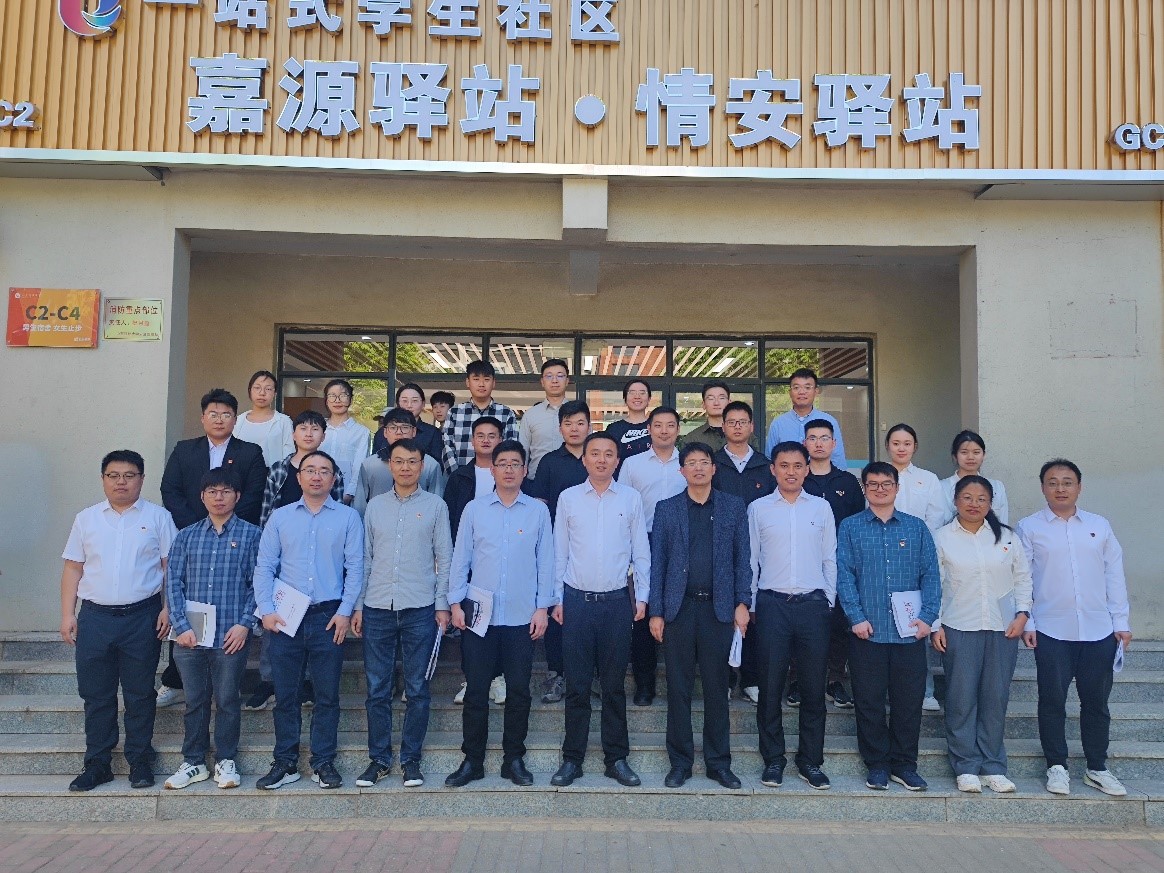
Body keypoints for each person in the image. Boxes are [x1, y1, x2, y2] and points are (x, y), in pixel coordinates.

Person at [1016, 459, 1133, 798]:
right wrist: (1028, 620)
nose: (1060, 488)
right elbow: (1022, 578)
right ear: (1043, 488)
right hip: (1051, 629)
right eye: (1052, 482)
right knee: (1052, 700)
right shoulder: (1029, 527)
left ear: (1079, 487)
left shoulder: (1099, 526)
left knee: (1096, 702)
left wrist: (1121, 622)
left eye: (1067, 482)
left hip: (1099, 629)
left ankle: (1097, 767)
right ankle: (1057, 766)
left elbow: (1114, 574)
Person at [60, 450, 176, 792]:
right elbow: (73, 568)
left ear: (141, 479)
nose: (121, 482)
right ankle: (98, 764)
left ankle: (140, 760)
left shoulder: (159, 517)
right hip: (95, 618)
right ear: (103, 479)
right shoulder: (86, 519)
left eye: (129, 475)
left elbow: (172, 568)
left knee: (140, 693)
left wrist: (168, 608)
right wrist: (67, 614)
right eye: (113, 475)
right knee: (96, 694)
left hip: (142, 617)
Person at [444, 441, 554, 788]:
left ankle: (513, 759)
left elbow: (546, 561)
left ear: (524, 470)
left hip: (522, 617)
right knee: (477, 691)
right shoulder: (475, 510)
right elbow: (460, 558)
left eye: (515, 463)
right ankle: (472, 760)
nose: (508, 469)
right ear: (491, 470)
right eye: (502, 463)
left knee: (519, 691)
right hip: (479, 618)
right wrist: (454, 603)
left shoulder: (537, 511)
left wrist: (543, 608)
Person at [253, 451, 364, 791]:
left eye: (324, 471)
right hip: (285, 617)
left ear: (334, 479)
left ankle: (323, 761)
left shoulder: (348, 518)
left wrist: (345, 611)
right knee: (285, 694)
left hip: (328, 617)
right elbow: (264, 566)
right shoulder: (280, 517)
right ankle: (285, 762)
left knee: (327, 695)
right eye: (310, 470)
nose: (317, 476)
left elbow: (355, 567)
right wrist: (266, 609)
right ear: (299, 477)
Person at [550, 432, 651, 788]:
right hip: (577, 601)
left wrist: (642, 598)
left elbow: (641, 552)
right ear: (584, 460)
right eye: (595, 453)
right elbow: (559, 552)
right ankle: (572, 760)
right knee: (577, 686)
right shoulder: (568, 498)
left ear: (617, 461)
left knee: (613, 686)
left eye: (609, 454)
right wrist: (557, 598)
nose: (602, 460)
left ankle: (616, 759)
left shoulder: (631, 498)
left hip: (616, 603)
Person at [649, 442, 750, 790]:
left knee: (716, 689)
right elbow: (658, 564)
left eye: (704, 462)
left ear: (713, 468)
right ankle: (680, 763)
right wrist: (656, 611)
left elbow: (742, 559)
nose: (698, 468)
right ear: (682, 471)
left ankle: (718, 763)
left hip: (718, 610)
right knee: (678, 689)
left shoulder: (733, 507)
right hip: (679, 610)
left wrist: (742, 602)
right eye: (690, 463)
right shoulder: (667, 509)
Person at [353, 438, 453, 789]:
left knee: (417, 688)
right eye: (399, 461)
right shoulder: (375, 506)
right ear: (390, 465)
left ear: (422, 466)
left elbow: (445, 557)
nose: (406, 467)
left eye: (412, 461)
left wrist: (442, 604)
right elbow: (365, 558)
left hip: (420, 607)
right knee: (377, 689)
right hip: (377, 606)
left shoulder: (436, 506)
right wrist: (358, 604)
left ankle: (411, 760)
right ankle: (379, 760)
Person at [158, 388, 266, 706]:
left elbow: (253, 494)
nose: (219, 419)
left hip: (235, 536)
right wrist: (200, 526)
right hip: (193, 537)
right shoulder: (184, 450)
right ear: (203, 418)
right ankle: (175, 680)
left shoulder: (250, 452)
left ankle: (227, 684)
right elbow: (170, 489)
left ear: (236, 419)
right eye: (213, 414)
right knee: (187, 601)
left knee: (230, 602)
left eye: (226, 414)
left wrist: (223, 521)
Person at [836, 461, 940, 792]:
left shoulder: (916, 528)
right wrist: (855, 616)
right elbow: (844, 574)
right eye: (873, 484)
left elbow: (931, 575)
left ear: (897, 487)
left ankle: (905, 765)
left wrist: (928, 617)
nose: (880, 489)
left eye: (886, 484)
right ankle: (877, 764)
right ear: (864, 488)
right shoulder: (851, 527)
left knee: (908, 703)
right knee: (868, 702)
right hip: (867, 631)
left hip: (910, 632)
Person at [931, 475, 1032, 794]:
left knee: (995, 697)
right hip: (959, 626)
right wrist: (935, 624)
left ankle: (993, 766)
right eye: (967, 497)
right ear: (955, 501)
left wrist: (1023, 615)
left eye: (981, 499)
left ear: (991, 503)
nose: (974, 504)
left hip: (1003, 629)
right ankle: (965, 765)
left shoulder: (1007, 537)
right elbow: (934, 583)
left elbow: (1023, 578)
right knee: (961, 698)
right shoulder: (942, 537)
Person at [162, 468, 261, 791]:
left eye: (226, 491)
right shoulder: (186, 536)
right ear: (202, 496)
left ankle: (225, 760)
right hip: (190, 636)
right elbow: (173, 583)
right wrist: (180, 625)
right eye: (212, 492)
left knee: (228, 699)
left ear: (237, 496)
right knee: (194, 700)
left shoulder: (252, 535)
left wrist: (245, 624)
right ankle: (193, 761)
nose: (219, 497)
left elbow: (258, 584)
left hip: (231, 635)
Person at [749, 441, 838, 791]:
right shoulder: (758, 509)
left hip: (813, 606)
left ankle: (810, 761)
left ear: (807, 469)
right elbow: (751, 561)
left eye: (798, 466)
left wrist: (828, 599)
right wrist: (752, 605)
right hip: (772, 605)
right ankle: (773, 759)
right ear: (773, 469)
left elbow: (829, 557)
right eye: (784, 465)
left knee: (813, 688)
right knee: (770, 687)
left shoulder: (821, 507)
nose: (791, 472)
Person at [247, 410, 346, 711]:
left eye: (315, 429)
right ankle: (270, 680)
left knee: (315, 626)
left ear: (323, 436)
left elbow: (336, 508)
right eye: (303, 428)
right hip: (284, 552)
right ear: (293, 434)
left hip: (318, 556)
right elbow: (267, 510)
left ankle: (308, 683)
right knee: (278, 618)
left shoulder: (331, 470)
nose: (309, 434)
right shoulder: (279, 469)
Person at [616, 406, 686, 706]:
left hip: (683, 543)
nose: (664, 431)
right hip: (642, 541)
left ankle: (679, 685)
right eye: (658, 425)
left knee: (679, 612)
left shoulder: (689, 462)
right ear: (648, 429)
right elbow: (622, 508)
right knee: (642, 612)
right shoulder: (632, 464)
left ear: (678, 430)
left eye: (670, 425)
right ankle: (644, 685)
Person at [522, 399, 591, 704]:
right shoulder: (549, 462)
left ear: (589, 426)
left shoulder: (597, 458)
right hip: (556, 547)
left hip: (593, 548)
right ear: (560, 427)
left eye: (580, 423)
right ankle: (556, 674)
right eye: (568, 423)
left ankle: (590, 675)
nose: (574, 429)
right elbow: (540, 506)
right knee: (556, 608)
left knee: (590, 613)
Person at [711, 399, 774, 704]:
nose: (737, 427)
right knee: (722, 614)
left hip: (761, 550)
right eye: (731, 422)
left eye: (742, 422)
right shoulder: (712, 463)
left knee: (753, 612)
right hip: (719, 548)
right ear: (723, 427)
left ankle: (751, 678)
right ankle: (724, 678)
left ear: (752, 426)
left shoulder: (765, 465)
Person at [801, 418, 865, 710]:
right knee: (802, 621)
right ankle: (798, 679)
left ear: (834, 444)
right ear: (805, 443)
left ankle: (835, 679)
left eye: (824, 438)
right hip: (802, 560)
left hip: (840, 562)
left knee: (838, 622)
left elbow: (856, 523)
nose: (818, 443)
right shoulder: (799, 477)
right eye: (812, 438)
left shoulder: (847, 482)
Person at [442, 416, 504, 705]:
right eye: (481, 435)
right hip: (469, 561)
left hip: (503, 559)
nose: (486, 440)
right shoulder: (460, 478)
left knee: (501, 624)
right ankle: (472, 679)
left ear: (500, 440)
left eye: (492, 435)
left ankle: (498, 678)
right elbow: (450, 520)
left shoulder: (510, 473)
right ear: (472, 440)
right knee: (471, 625)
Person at [884, 422, 946, 712]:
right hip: (883, 557)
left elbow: (936, 516)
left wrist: (915, 544)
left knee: (918, 623)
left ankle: (926, 691)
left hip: (917, 557)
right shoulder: (877, 475)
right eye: (896, 443)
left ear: (915, 447)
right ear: (888, 446)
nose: (901, 448)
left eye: (907, 443)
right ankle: (886, 690)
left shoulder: (928, 479)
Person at [354, 408, 443, 514]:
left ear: (414, 431)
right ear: (385, 432)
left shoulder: (430, 465)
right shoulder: (369, 465)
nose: (399, 432)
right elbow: (360, 506)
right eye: (393, 427)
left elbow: (437, 505)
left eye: (405, 427)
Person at [441, 361, 518, 473]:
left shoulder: (506, 414)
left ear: (493, 383)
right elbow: (447, 446)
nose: (481, 384)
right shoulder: (454, 413)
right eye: (476, 379)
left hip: (496, 478)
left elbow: (511, 448)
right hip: (460, 477)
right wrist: (457, 476)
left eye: (486, 379)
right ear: (468, 382)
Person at [765, 368, 846, 468]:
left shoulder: (829, 421)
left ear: (816, 391)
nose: (802, 392)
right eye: (796, 387)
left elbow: (838, 458)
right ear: (790, 392)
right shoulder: (778, 423)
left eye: (807, 387)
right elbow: (770, 459)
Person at [318, 378, 372, 506]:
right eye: (332, 396)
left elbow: (359, 466)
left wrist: (349, 493)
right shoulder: (318, 429)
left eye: (343, 395)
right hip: (317, 490)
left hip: (348, 496)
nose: (337, 400)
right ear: (326, 400)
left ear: (350, 400)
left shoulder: (361, 432)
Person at [940, 430, 1009, 525]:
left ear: (983, 455)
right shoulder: (941, 487)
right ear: (955, 456)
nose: (970, 457)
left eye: (976, 452)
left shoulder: (997, 486)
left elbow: (1003, 522)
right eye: (964, 452)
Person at [519, 358, 570, 478]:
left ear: (567, 381)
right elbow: (522, 452)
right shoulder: (530, 415)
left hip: (571, 480)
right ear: (542, 382)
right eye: (549, 376)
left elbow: (588, 448)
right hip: (536, 480)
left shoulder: (578, 414)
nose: (554, 380)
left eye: (560, 376)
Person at [232, 370, 294, 468]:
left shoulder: (284, 422)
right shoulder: (238, 421)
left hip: (272, 475)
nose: (262, 393)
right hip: (241, 474)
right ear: (250, 391)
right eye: (257, 388)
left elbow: (289, 456)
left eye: (268, 389)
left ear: (275, 393)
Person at [371, 383, 445, 465]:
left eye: (414, 401)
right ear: (397, 403)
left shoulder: (433, 433)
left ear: (423, 403)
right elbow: (374, 463)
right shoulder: (382, 433)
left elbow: (437, 465)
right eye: (405, 401)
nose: (409, 405)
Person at [604, 378, 653, 463]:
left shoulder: (656, 427)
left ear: (649, 399)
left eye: (642, 393)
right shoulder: (614, 429)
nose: (637, 397)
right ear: (625, 399)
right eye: (632, 393)